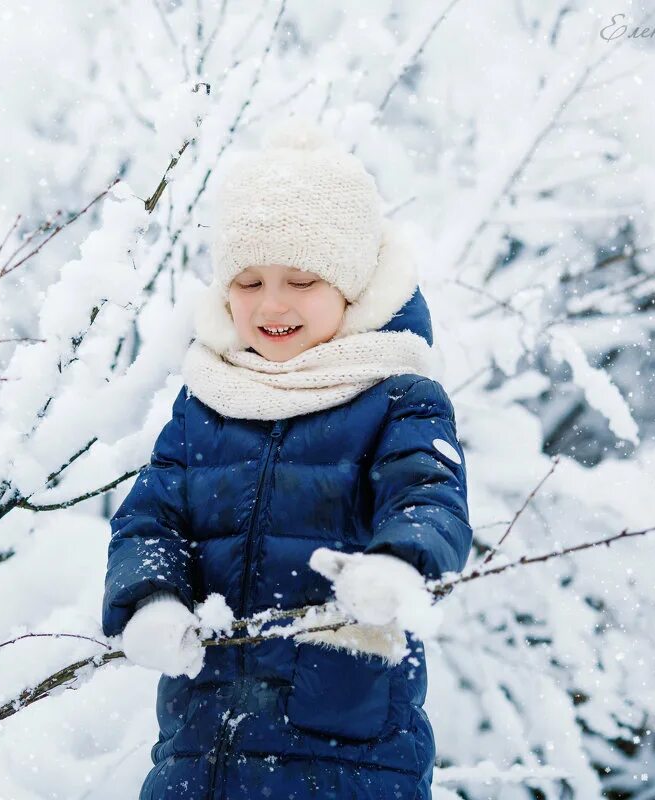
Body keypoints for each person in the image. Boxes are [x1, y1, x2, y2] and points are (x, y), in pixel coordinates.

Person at [101, 116, 473, 799]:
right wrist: (149, 598)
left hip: (344, 759)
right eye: (248, 282)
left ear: (351, 288)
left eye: (301, 280)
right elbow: (149, 522)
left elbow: (429, 496)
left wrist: (399, 562)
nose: (272, 304)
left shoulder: (397, 398)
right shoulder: (207, 403)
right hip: (199, 754)